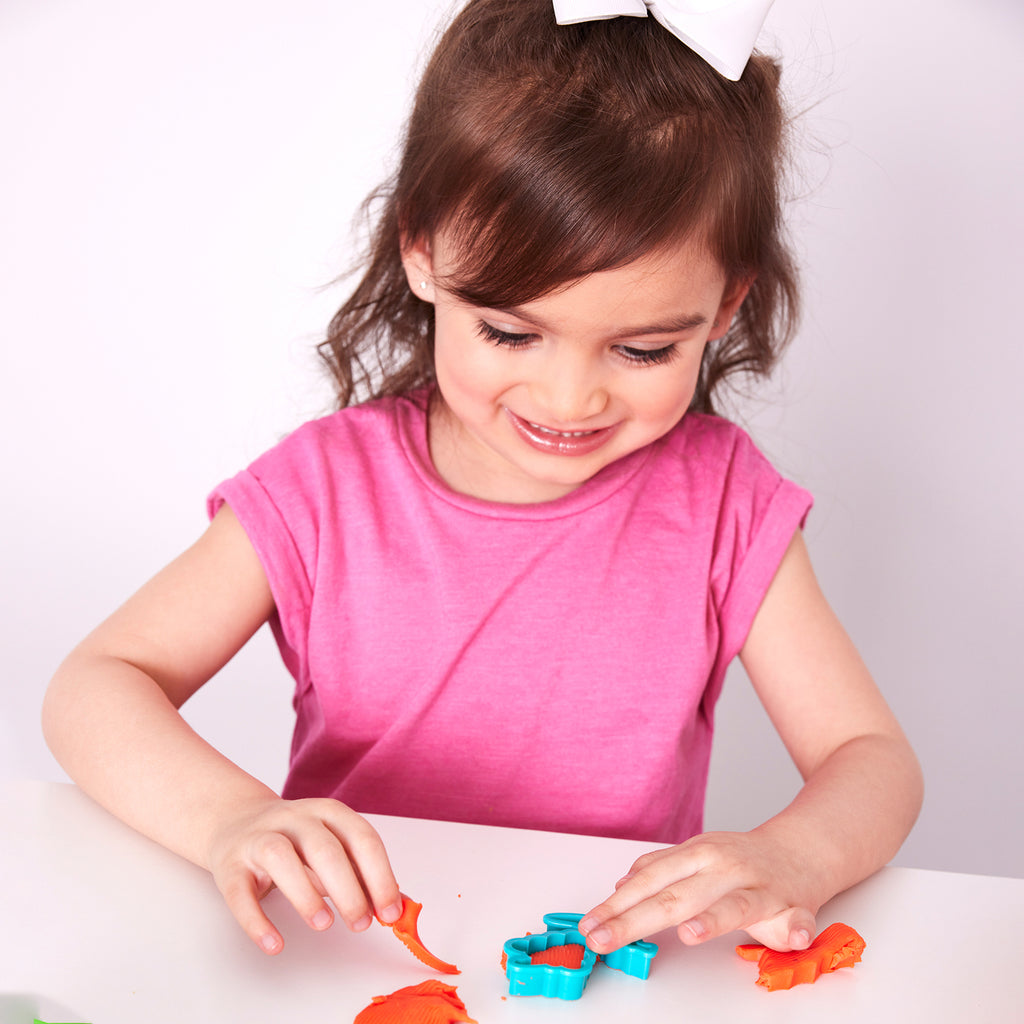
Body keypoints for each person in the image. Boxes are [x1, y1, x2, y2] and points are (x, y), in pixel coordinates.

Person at [42, 0, 923, 962]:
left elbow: (870, 761)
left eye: (641, 348)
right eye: (510, 332)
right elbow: (95, 686)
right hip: (354, 967)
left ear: (724, 307)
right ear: (423, 252)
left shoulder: (724, 504)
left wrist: (796, 853)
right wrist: (228, 819)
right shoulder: (325, 488)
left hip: (602, 975)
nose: (570, 395)